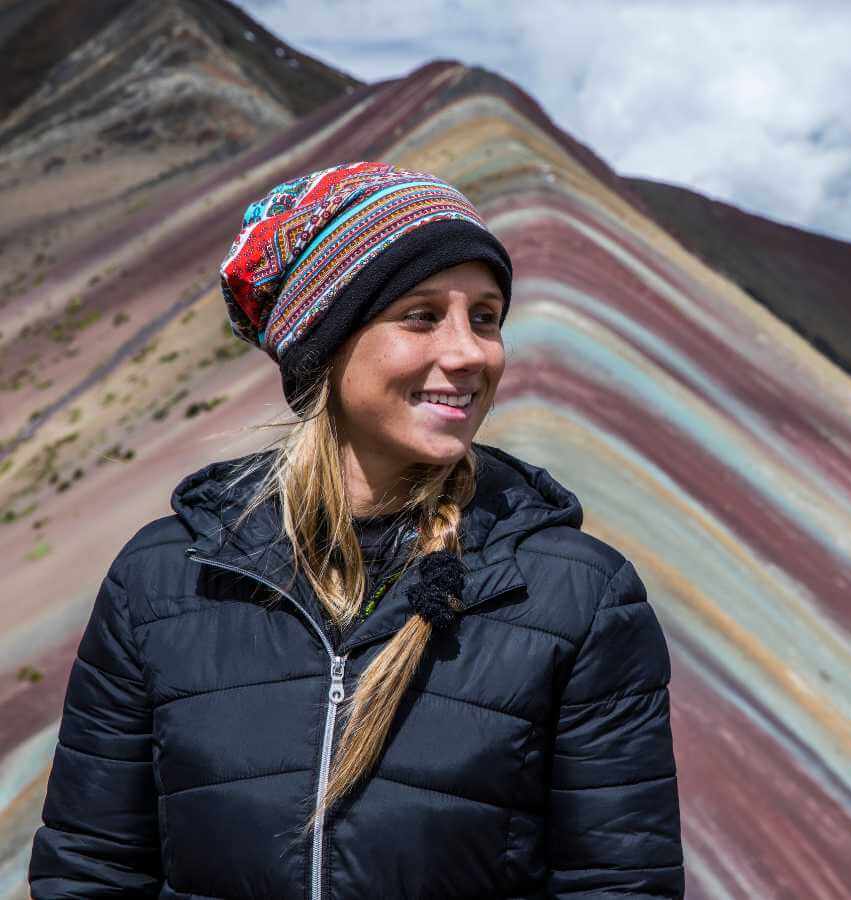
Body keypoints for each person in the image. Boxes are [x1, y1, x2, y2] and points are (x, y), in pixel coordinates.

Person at [28, 162, 685, 898]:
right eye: (422, 315)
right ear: (326, 342)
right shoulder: (165, 580)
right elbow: (89, 871)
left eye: (487, 317)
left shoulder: (576, 596)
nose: (470, 353)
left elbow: (621, 886)